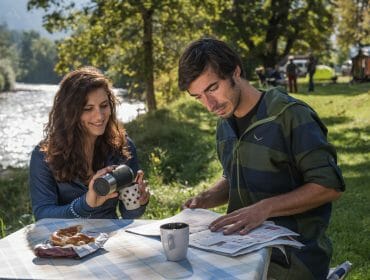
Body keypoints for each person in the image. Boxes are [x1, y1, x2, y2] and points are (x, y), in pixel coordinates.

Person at [178, 38, 345, 280]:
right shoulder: (224, 125)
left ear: (235, 71)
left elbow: (329, 186)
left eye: (212, 88)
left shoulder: (291, 116)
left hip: (294, 261)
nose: (209, 104)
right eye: (198, 97)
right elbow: (233, 177)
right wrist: (207, 198)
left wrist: (264, 209)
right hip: (240, 251)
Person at [29, 66, 150, 220]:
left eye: (104, 106)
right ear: (69, 112)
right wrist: (86, 204)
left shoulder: (123, 146)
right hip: (66, 241)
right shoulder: (44, 155)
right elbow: (43, 214)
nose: (99, 116)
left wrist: (139, 201)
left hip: (111, 238)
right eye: (88, 108)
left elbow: (128, 214)